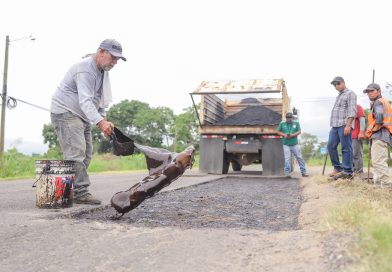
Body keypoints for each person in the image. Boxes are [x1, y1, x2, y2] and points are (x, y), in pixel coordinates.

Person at [50, 39, 127, 204]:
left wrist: (103, 119)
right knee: (76, 153)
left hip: (81, 115)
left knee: (86, 154)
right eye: (112, 57)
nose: (114, 62)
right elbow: (85, 101)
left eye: (117, 59)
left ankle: (64, 190)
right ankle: (80, 192)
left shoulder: (101, 72)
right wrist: (100, 122)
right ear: (101, 52)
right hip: (66, 112)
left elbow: (97, 99)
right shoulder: (86, 70)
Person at [328, 76, 357, 180]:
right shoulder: (339, 95)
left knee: (346, 148)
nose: (336, 86)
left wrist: (348, 125)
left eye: (338, 83)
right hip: (335, 125)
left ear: (343, 82)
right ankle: (337, 168)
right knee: (330, 146)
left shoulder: (350, 93)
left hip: (344, 124)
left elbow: (352, 110)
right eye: (334, 84)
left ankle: (348, 171)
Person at [364, 83, 392, 187]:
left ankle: (385, 183)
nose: (369, 93)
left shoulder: (378, 103)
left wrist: (373, 131)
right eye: (368, 92)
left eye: (372, 91)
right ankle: (378, 183)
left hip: (380, 134)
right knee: (378, 160)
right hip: (384, 134)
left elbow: (379, 120)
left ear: (379, 91)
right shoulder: (383, 101)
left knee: (378, 161)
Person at [276, 112, 309, 177]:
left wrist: (292, 135)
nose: (289, 120)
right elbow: (277, 131)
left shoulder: (296, 123)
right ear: (286, 118)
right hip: (286, 144)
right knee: (287, 158)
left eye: (290, 118)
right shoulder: (282, 123)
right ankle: (287, 173)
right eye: (288, 118)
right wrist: (284, 135)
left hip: (294, 144)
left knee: (299, 157)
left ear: (292, 118)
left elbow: (299, 131)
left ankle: (303, 172)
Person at [352, 104, 366, 174]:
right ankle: (351, 172)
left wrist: (361, 132)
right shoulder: (345, 108)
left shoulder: (357, 107)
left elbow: (362, 120)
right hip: (347, 136)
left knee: (356, 154)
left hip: (356, 134)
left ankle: (359, 173)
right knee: (349, 154)